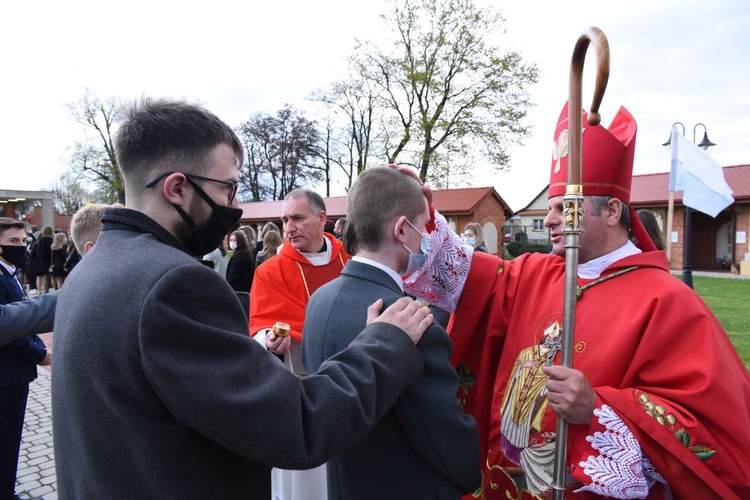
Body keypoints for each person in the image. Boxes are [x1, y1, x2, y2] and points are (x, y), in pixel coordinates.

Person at [52, 98, 434, 498]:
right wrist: (383, 342)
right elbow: (301, 425)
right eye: (228, 188)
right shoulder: (173, 284)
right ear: (178, 188)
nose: (235, 207)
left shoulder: (89, 270)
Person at [402, 103, 750, 499]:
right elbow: (463, 278)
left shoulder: (667, 301)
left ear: (612, 211)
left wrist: (600, 408)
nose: (549, 220)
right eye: (549, 209)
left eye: (563, 208)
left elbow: (708, 426)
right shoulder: (532, 271)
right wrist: (421, 215)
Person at [302, 167, 481, 498]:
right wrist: (474, 470)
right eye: (423, 225)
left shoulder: (318, 301)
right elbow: (445, 438)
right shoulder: (410, 321)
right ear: (401, 229)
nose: (427, 237)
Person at [249, 188, 350, 499]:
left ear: (322, 219)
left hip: (352, 383)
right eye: (284, 220)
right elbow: (260, 325)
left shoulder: (350, 261)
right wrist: (268, 339)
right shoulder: (270, 271)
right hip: (301, 391)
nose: (288, 228)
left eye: (297, 218)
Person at [0, 217, 50, 500]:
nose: (20, 247)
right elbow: (11, 331)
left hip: (14, 373)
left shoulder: (9, 273)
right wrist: (42, 354)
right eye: (12, 242)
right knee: (6, 440)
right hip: (7, 375)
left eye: (22, 241)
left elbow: (25, 320)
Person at [32, 225, 53, 294]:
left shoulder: (42, 240)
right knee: (47, 275)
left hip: (42, 260)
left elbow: (39, 251)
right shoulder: (52, 239)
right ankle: (47, 290)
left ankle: (41, 291)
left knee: (42, 276)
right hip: (50, 259)